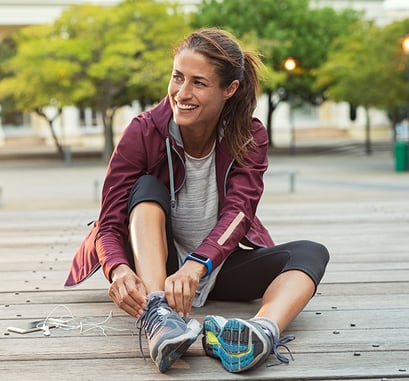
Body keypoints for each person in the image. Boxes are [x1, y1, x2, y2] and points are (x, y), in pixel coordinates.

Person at [65, 27, 329, 374]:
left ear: (229, 89)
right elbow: (109, 223)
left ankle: (262, 332)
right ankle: (159, 317)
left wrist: (198, 264)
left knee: (311, 253)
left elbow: (240, 213)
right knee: (145, 188)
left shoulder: (249, 136)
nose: (181, 93)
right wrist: (119, 269)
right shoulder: (143, 132)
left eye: (198, 83)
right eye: (177, 78)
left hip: (214, 265)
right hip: (156, 269)